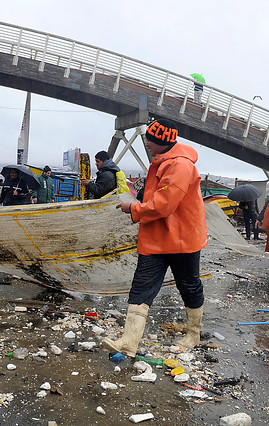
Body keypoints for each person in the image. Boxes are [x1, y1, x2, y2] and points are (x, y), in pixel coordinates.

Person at [103, 118, 207, 356]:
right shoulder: (163, 161)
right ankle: (129, 342)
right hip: (156, 237)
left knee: (189, 285)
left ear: (162, 141)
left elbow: (163, 205)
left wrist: (133, 208)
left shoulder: (180, 165)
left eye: (150, 139)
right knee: (142, 285)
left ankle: (193, 334)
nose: (147, 143)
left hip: (182, 240)